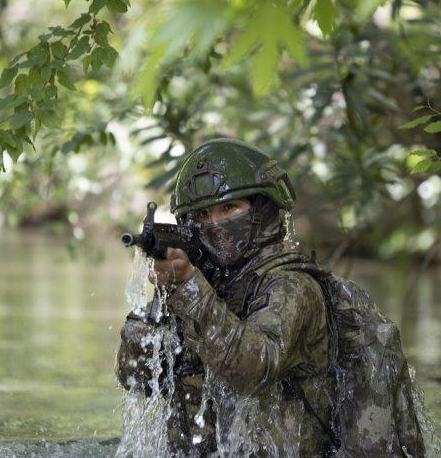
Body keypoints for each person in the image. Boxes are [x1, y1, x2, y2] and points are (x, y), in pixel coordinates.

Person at [116, 138, 424, 457]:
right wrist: (160, 301)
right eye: (203, 214)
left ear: (263, 208)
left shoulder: (293, 286)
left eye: (229, 208)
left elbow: (253, 370)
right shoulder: (204, 284)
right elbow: (135, 376)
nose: (215, 223)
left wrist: (190, 288)